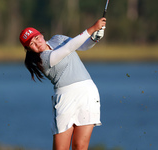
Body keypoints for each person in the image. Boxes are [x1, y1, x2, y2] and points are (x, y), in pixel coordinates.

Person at [19, 17, 106, 150]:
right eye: (31, 44)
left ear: (41, 35)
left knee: (80, 146)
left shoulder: (57, 38)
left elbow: (82, 45)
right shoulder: (42, 60)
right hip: (66, 99)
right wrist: (92, 29)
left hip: (87, 93)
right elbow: (68, 49)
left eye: (36, 38)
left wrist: (94, 38)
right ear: (28, 49)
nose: (37, 43)